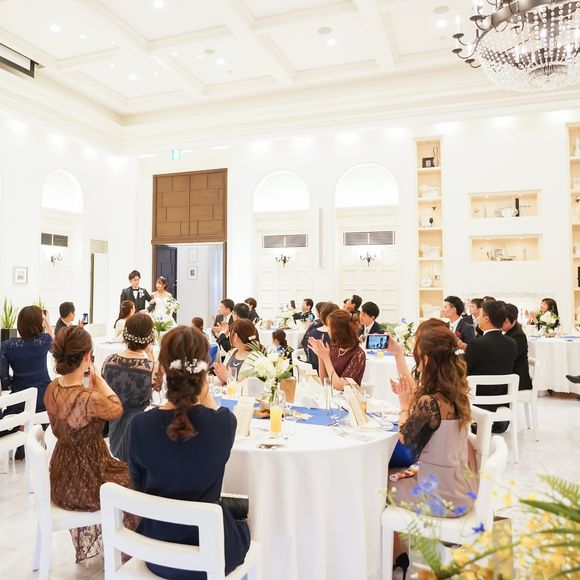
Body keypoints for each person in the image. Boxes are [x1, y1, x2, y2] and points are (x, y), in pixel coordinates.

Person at [128, 325, 250, 579]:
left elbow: (138, 484)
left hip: (157, 550)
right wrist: (205, 394)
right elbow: (211, 417)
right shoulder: (224, 423)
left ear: (163, 367)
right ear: (204, 369)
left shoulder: (140, 424)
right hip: (212, 553)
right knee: (245, 522)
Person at [386, 319, 477, 572]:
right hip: (462, 488)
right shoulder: (456, 394)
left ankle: (393, 556)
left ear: (425, 360)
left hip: (440, 497)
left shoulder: (431, 402)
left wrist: (404, 406)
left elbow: (405, 440)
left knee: (377, 483)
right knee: (398, 474)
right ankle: (399, 552)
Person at [44, 326, 138, 562]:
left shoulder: (52, 388)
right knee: (137, 478)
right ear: (87, 357)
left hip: (60, 478)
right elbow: (117, 409)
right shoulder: (89, 399)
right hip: (86, 479)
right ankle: (131, 550)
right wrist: (100, 381)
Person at [101, 313, 156, 461]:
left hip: (114, 429)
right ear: (150, 338)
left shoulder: (109, 361)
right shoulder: (151, 367)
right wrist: (152, 359)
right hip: (139, 434)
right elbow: (157, 397)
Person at [464, 300, 517, 433]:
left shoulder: (476, 344)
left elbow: (464, 370)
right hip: (502, 401)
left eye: (480, 315)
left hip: (477, 401)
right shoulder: (512, 344)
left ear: (486, 318)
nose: (478, 318)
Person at [0, 306, 54, 415]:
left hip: (20, 401)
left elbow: (4, 377)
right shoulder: (44, 340)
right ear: (39, 323)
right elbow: (55, 345)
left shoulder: (7, 346)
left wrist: (12, 385)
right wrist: (47, 323)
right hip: (45, 399)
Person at [308, 309, 366, 389]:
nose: (327, 329)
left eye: (329, 326)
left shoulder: (358, 354)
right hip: (332, 394)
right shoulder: (335, 348)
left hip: (349, 396)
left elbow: (340, 386)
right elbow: (325, 381)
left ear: (338, 331)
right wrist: (320, 356)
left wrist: (326, 358)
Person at [214, 319, 260, 384]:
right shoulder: (232, 352)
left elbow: (248, 387)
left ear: (235, 336)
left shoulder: (255, 358)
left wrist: (227, 378)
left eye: (230, 333)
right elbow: (223, 379)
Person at [502, 303, 532, 392]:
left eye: (505, 322)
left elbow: (508, 359)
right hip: (510, 375)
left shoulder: (518, 335)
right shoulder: (510, 331)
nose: (502, 324)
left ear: (514, 320)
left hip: (518, 380)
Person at [304, 302, 338, 371]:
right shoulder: (340, 333)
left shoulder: (313, 331)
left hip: (315, 370)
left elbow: (306, 347)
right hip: (334, 370)